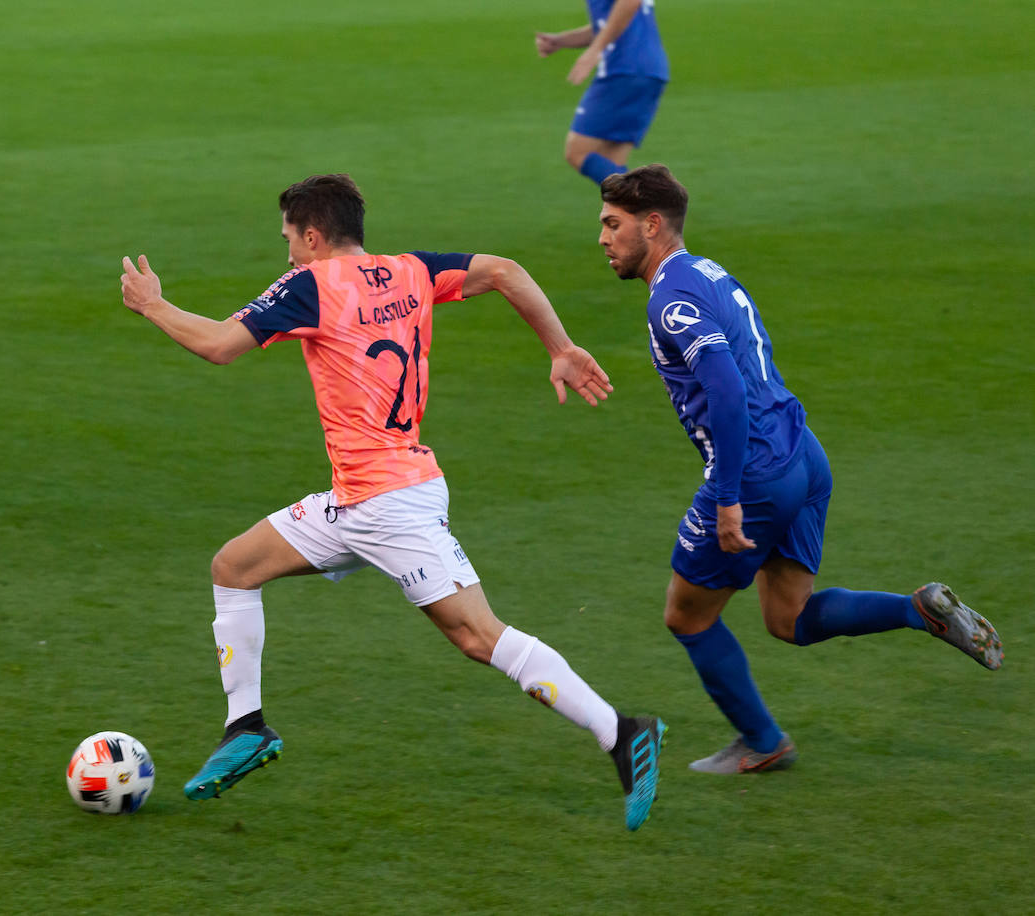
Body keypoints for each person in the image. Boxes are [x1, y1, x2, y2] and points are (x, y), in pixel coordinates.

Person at [121, 173, 666, 829]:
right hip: (362, 496)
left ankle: (623, 733)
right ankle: (246, 727)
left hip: (389, 504)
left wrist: (152, 304)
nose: (287, 254)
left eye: (289, 240)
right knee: (234, 568)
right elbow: (503, 270)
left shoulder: (309, 288)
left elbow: (217, 344)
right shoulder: (407, 273)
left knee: (477, 634)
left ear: (314, 235)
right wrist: (560, 347)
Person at [596, 164, 1003, 774]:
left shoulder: (670, 299)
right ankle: (916, 610)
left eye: (612, 224)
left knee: (687, 616)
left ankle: (764, 742)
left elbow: (728, 393)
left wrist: (728, 496)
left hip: (754, 474)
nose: (602, 238)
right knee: (788, 619)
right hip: (803, 453)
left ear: (652, 226)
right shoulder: (706, 270)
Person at [535, 0, 670, 188]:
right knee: (611, 165)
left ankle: (651, 204)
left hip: (624, 69)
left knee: (577, 152)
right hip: (646, 69)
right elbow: (609, 23)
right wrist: (561, 40)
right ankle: (641, 212)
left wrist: (595, 50)